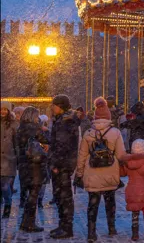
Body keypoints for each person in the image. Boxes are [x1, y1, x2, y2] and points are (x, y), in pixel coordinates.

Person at [75, 97, 126, 242]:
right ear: (109, 116)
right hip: (110, 172)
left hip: (92, 172)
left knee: (93, 203)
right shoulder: (115, 132)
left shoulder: (88, 133)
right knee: (110, 202)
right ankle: (111, 227)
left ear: (95, 116)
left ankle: (91, 232)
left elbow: (82, 156)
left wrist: (79, 174)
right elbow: (121, 155)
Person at [48, 94, 80, 239]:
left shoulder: (65, 122)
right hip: (64, 164)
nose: (52, 108)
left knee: (63, 196)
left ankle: (66, 227)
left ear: (60, 106)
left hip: (62, 166)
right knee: (61, 196)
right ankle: (63, 225)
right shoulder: (64, 120)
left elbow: (62, 146)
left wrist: (56, 164)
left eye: (53, 105)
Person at [16, 107, 50, 232]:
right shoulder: (34, 128)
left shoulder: (21, 128)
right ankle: (29, 223)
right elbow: (47, 139)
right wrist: (44, 129)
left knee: (30, 194)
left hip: (24, 165)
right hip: (34, 166)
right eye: (37, 116)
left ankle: (25, 222)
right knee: (34, 195)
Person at [120, 139, 144, 241]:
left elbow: (122, 173)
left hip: (131, 190)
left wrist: (121, 164)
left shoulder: (128, 162)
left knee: (134, 212)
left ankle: (135, 233)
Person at [1, 101, 18, 219]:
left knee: (5, 186)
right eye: (1, 109)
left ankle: (8, 204)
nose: (2, 111)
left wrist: (17, 157)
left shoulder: (13, 124)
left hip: (8, 158)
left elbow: (17, 142)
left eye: (5, 109)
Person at [37, 114, 51, 208]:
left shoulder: (46, 132)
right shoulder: (44, 132)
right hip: (42, 159)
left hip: (42, 160)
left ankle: (39, 199)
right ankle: (39, 199)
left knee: (42, 181)